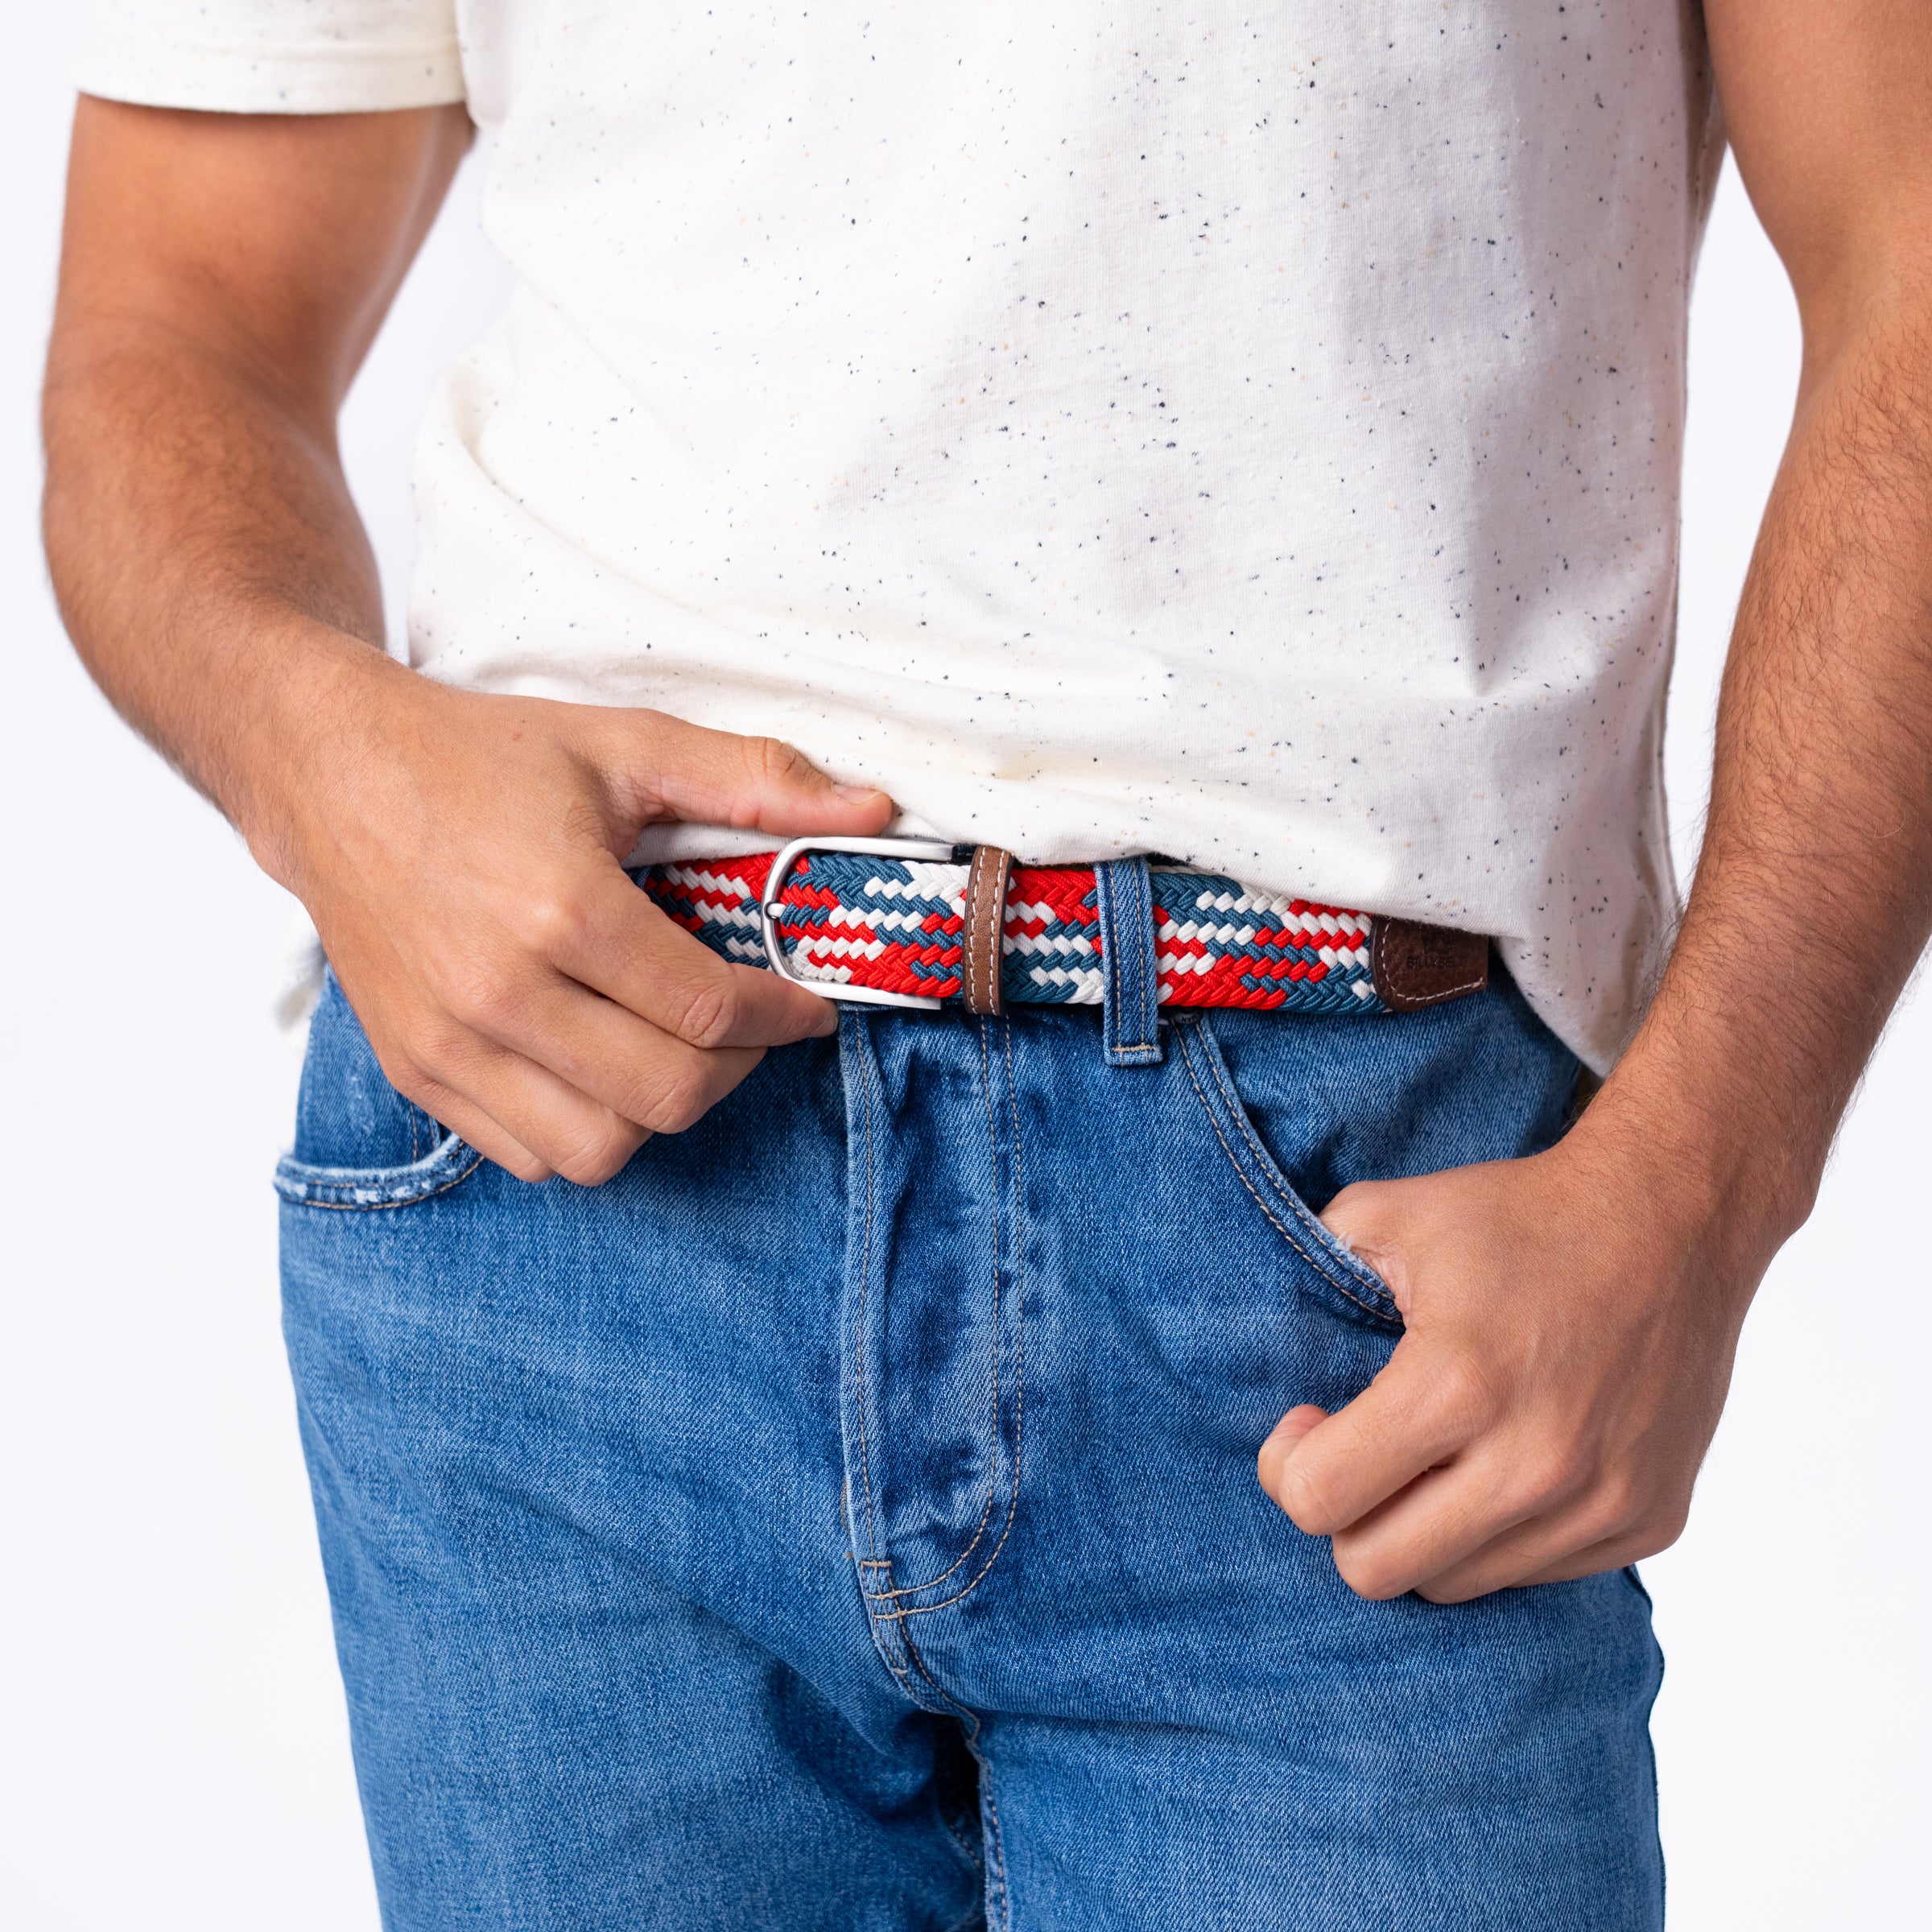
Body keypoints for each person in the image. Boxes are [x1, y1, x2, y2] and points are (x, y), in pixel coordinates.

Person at [40, 1, 1932, 1925]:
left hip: (1346, 1254)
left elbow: (1909, 259)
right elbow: (171, 317)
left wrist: (1703, 1185)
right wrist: (316, 750)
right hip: (570, 1178)